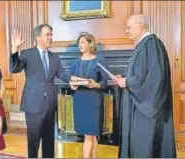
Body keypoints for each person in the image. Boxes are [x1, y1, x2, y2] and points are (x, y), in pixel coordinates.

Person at [112, 14, 176, 158]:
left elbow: (154, 80)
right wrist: (124, 78)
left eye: (128, 28)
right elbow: (140, 74)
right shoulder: (143, 45)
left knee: (145, 148)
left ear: (140, 25)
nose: (126, 31)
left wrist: (127, 82)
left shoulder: (152, 44)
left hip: (147, 111)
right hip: (138, 107)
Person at [9, 24, 73, 158]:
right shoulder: (27, 54)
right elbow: (14, 69)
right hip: (33, 104)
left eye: (51, 34)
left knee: (49, 140)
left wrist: (73, 81)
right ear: (38, 37)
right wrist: (15, 49)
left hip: (50, 104)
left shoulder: (55, 57)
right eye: (47, 34)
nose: (50, 37)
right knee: (33, 141)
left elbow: (62, 74)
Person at [69, 32, 108, 158]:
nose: (80, 45)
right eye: (79, 42)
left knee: (90, 133)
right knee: (91, 134)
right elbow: (71, 82)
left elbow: (104, 83)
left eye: (83, 42)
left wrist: (95, 84)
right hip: (80, 99)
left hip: (94, 100)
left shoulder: (100, 61)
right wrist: (73, 85)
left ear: (90, 43)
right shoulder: (74, 62)